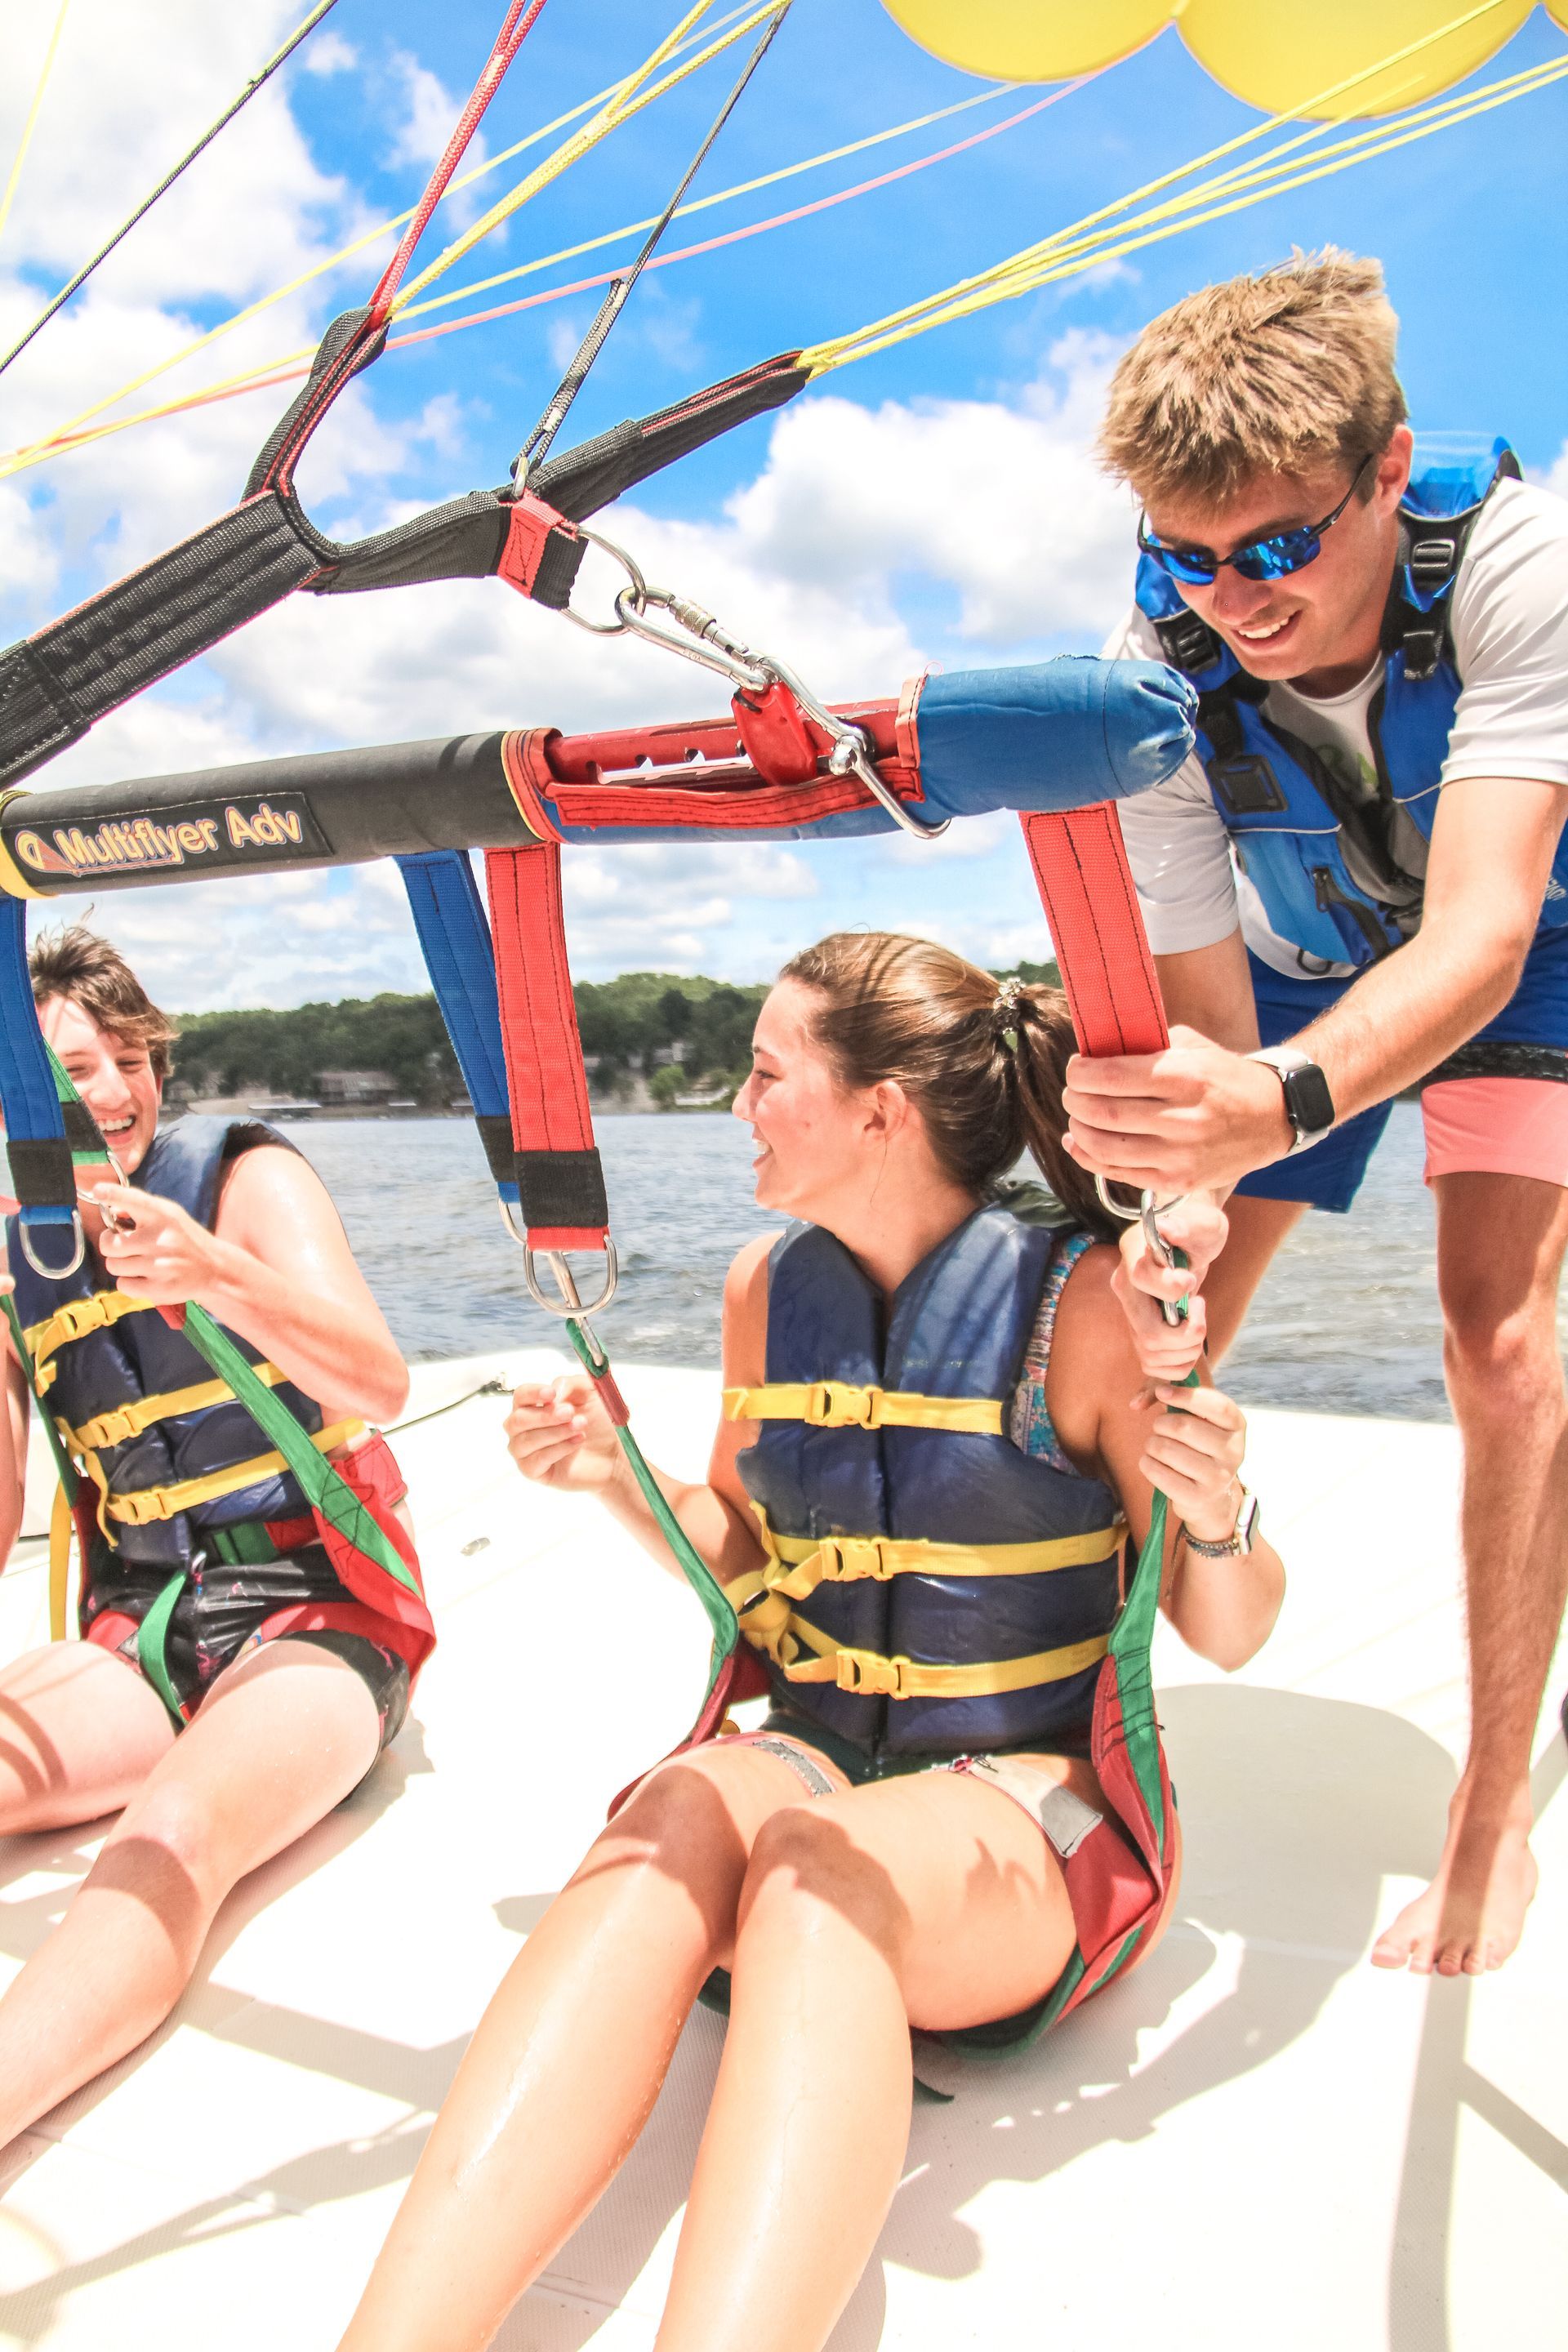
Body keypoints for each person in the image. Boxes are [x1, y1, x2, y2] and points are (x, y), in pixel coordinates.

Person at [336, 932, 1283, 2352]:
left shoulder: (1088, 1305)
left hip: (1021, 1821)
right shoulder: (766, 1291)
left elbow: (1233, 1626)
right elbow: (746, 1553)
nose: (737, 1105)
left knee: (806, 1868)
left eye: (767, 1072)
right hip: (819, 1751)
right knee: (665, 1818)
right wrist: (615, 1478)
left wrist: (1218, 1520)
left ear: (878, 1112)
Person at [1062, 250, 1568, 1979]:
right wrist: (1205, 1161)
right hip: (1294, 958)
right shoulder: (1151, 660)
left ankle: (1490, 1812)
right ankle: (1075, 1712)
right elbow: (1213, 1030)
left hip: (1532, 945)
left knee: (1498, 1345)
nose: (1236, 597)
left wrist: (1270, 1097)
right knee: (1136, 1323)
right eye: (1194, 560)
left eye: (1279, 546)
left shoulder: (1526, 565)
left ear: (1385, 464)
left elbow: (1486, 933)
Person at [0, 923, 432, 2146]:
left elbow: (379, 1379)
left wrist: (211, 1275)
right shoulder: (11, 1256)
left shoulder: (241, 1178)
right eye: (78, 1070)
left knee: (168, 1844)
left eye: (130, 1058)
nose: (120, 1091)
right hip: (143, 1630)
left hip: (319, 1614)